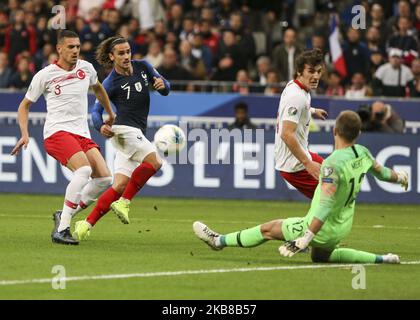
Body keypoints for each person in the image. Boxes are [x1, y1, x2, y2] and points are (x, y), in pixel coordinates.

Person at [193, 111, 408, 264]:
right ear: (358, 133)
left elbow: (325, 204)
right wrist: (401, 178)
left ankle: (218, 241)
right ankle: (382, 259)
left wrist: (306, 237)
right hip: (342, 227)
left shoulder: (332, 164)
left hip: (319, 229)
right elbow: (384, 173)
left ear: (334, 130)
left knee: (269, 229)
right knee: (320, 257)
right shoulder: (362, 152)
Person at [11, 30, 115, 245]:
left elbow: (98, 89)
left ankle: (64, 214)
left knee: (105, 178)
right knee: (84, 170)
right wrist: (24, 133)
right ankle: (62, 229)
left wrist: (110, 113)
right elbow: (24, 106)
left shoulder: (86, 69)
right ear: (59, 49)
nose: (76, 51)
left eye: (78, 47)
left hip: (81, 133)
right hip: (57, 132)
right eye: (71, 47)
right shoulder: (45, 75)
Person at [72, 36, 170, 240]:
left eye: (128, 51)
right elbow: (95, 111)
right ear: (112, 56)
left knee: (118, 186)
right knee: (155, 163)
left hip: (133, 134)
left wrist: (163, 86)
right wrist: (100, 126)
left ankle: (85, 224)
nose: (126, 56)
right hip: (124, 129)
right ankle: (125, 202)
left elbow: (165, 86)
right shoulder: (110, 82)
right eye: (121, 53)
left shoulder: (143, 67)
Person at [275, 49, 328, 199]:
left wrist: (311, 110)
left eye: (318, 71)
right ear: (299, 71)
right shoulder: (296, 96)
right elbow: (286, 134)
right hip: (294, 165)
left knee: (335, 178)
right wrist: (308, 163)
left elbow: (295, 108)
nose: (316, 76)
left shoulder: (296, 87)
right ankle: (309, 223)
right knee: (331, 197)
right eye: (311, 71)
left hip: (300, 156)